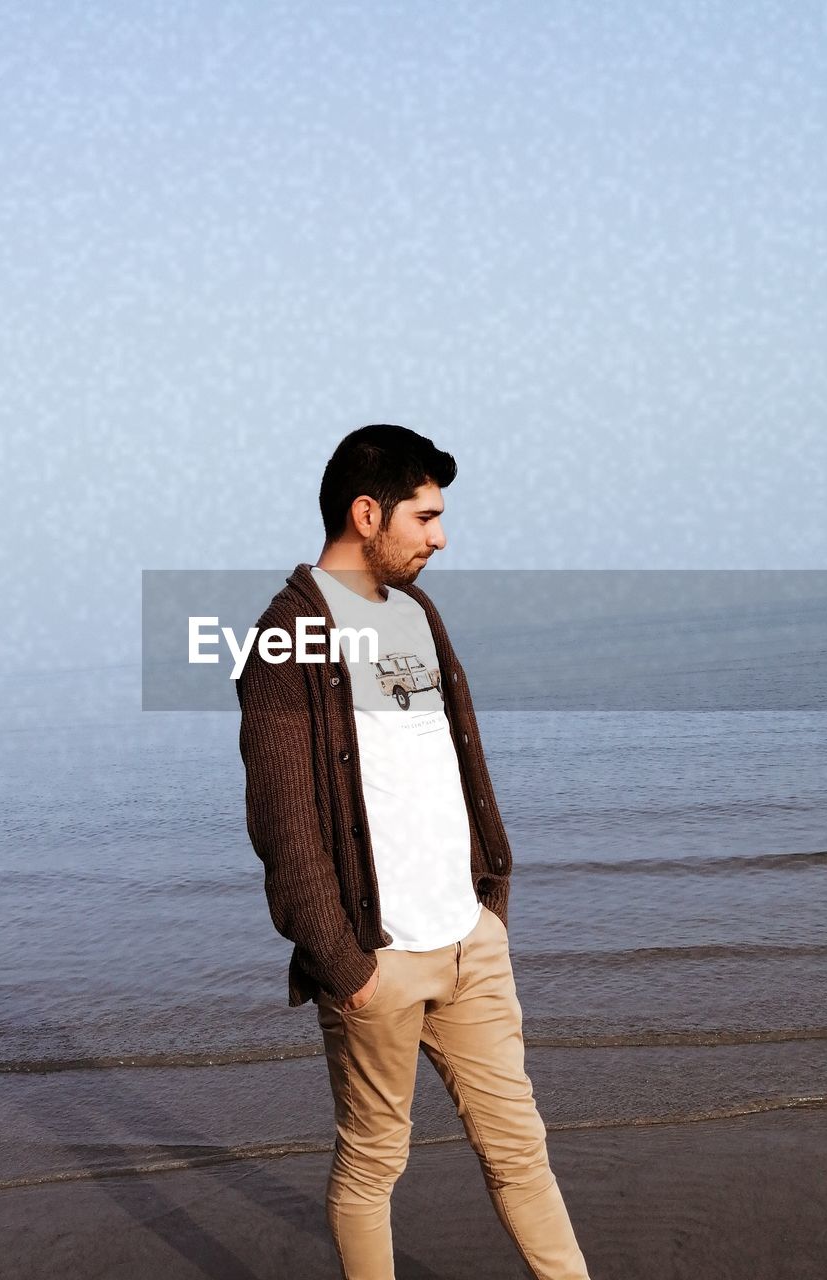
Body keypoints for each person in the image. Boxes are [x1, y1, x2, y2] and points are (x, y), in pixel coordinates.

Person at [236, 424, 591, 1279]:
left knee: (522, 1152)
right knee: (372, 1165)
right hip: (378, 960)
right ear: (368, 514)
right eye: (425, 516)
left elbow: (454, 765)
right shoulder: (285, 640)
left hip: (469, 943)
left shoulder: (419, 613)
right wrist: (346, 965)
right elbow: (284, 832)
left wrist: (487, 909)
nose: (440, 536)